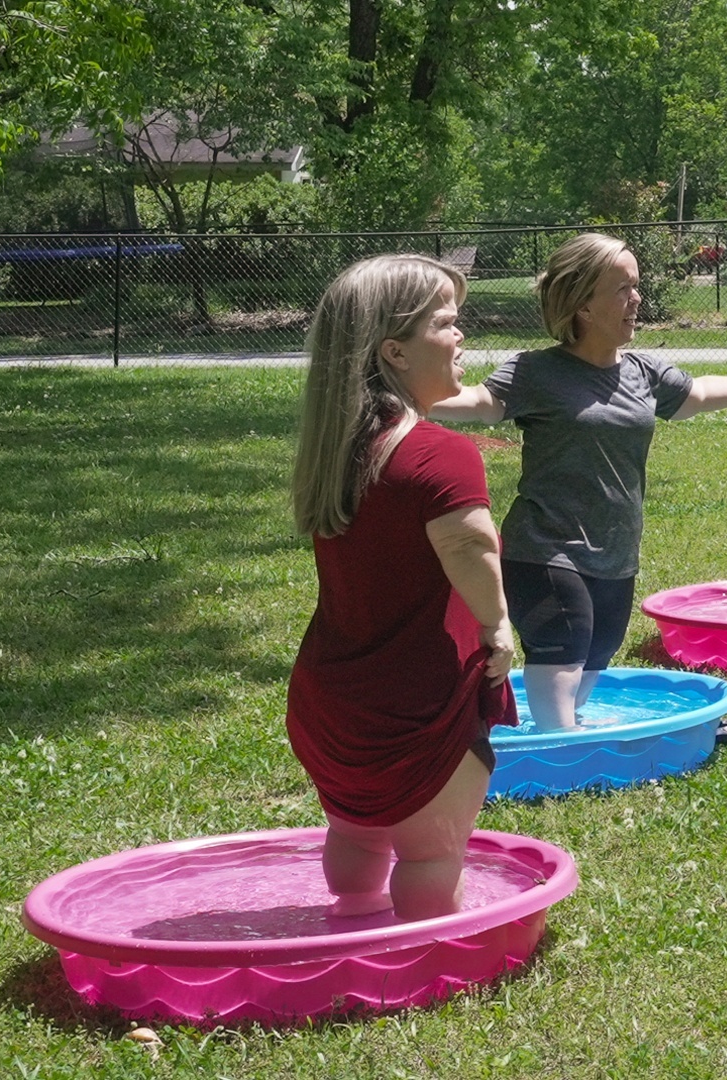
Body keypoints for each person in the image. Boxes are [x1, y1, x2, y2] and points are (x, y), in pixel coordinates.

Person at [431, 232, 727, 731]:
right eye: (623, 289)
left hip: (616, 551)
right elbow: (482, 404)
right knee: (566, 639)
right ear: (583, 305)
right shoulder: (538, 372)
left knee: (601, 644)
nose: (637, 299)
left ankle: (558, 725)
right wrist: (412, 397)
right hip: (545, 548)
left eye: (636, 287)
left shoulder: (643, 371)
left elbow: (695, 395)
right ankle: (560, 748)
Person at [286, 253, 517, 922]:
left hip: (329, 705)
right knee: (429, 855)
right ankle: (423, 969)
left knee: (356, 838)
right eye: (446, 323)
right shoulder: (437, 453)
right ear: (395, 350)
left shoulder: (337, 452)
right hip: (417, 709)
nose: (461, 336)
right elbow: (469, 546)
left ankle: (346, 923)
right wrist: (496, 625)